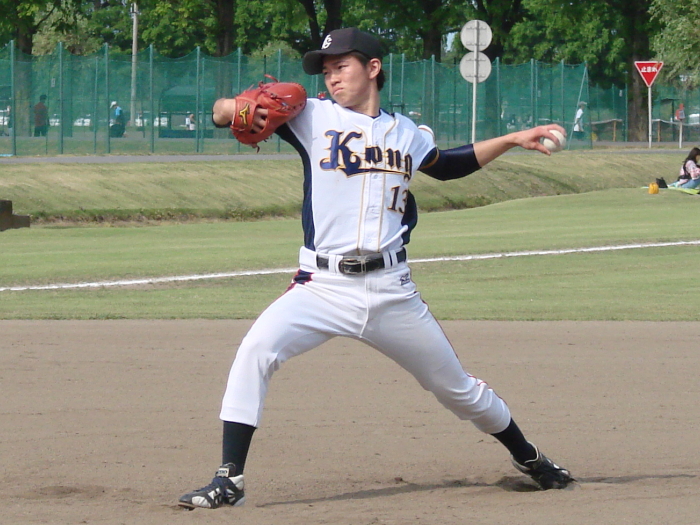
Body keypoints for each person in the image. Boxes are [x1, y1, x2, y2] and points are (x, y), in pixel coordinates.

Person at [178, 27, 574, 511]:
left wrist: (512, 139)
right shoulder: (310, 116)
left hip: (392, 292)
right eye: (326, 70)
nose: (331, 77)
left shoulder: (406, 133)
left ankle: (529, 456)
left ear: (372, 67)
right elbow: (225, 113)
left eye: (340, 66)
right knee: (256, 350)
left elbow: (447, 165)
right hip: (321, 286)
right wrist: (229, 109)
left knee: (458, 390)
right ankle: (229, 479)